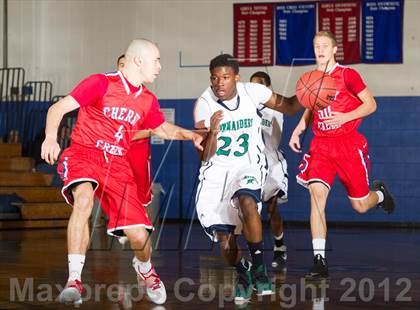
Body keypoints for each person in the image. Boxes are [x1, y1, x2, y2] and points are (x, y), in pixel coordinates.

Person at [41, 39, 203, 306]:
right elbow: (57, 108)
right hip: (84, 153)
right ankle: (74, 280)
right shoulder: (100, 83)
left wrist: (192, 135)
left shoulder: (148, 100)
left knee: (139, 237)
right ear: (138, 60)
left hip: (117, 165)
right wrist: (50, 137)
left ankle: (145, 268)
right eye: (157, 60)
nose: (160, 67)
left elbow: (161, 129)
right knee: (83, 200)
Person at [194, 54, 300, 304]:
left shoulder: (253, 91)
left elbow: (290, 106)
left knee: (248, 201)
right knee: (224, 243)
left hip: (247, 165)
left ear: (237, 78)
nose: (219, 82)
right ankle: (244, 270)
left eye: (225, 77)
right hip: (216, 173)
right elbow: (205, 156)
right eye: (215, 78)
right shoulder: (204, 104)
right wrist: (213, 132)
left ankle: (261, 269)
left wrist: (310, 90)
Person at [288, 31, 395, 280]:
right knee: (316, 197)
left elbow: (371, 104)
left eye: (325, 46)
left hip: (348, 144)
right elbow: (311, 106)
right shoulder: (313, 78)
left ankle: (379, 195)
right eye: (316, 46)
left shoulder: (348, 75)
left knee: (359, 206)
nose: (320, 50)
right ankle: (319, 259)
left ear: (335, 49)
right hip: (321, 146)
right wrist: (300, 127)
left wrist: (345, 117)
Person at [250, 71, 294, 268]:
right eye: (251, 86)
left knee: (272, 208)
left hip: (272, 163)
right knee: (249, 210)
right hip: (252, 164)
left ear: (268, 88)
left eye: (258, 85)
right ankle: (256, 253)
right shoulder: (249, 106)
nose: (253, 89)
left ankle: (279, 248)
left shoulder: (276, 106)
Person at [116, 54, 153, 246]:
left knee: (140, 191)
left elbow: (149, 129)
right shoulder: (110, 93)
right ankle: (125, 224)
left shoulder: (145, 96)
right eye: (120, 65)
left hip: (137, 150)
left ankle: (139, 223)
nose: (123, 68)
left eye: (126, 64)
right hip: (117, 151)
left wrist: (123, 134)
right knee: (120, 188)